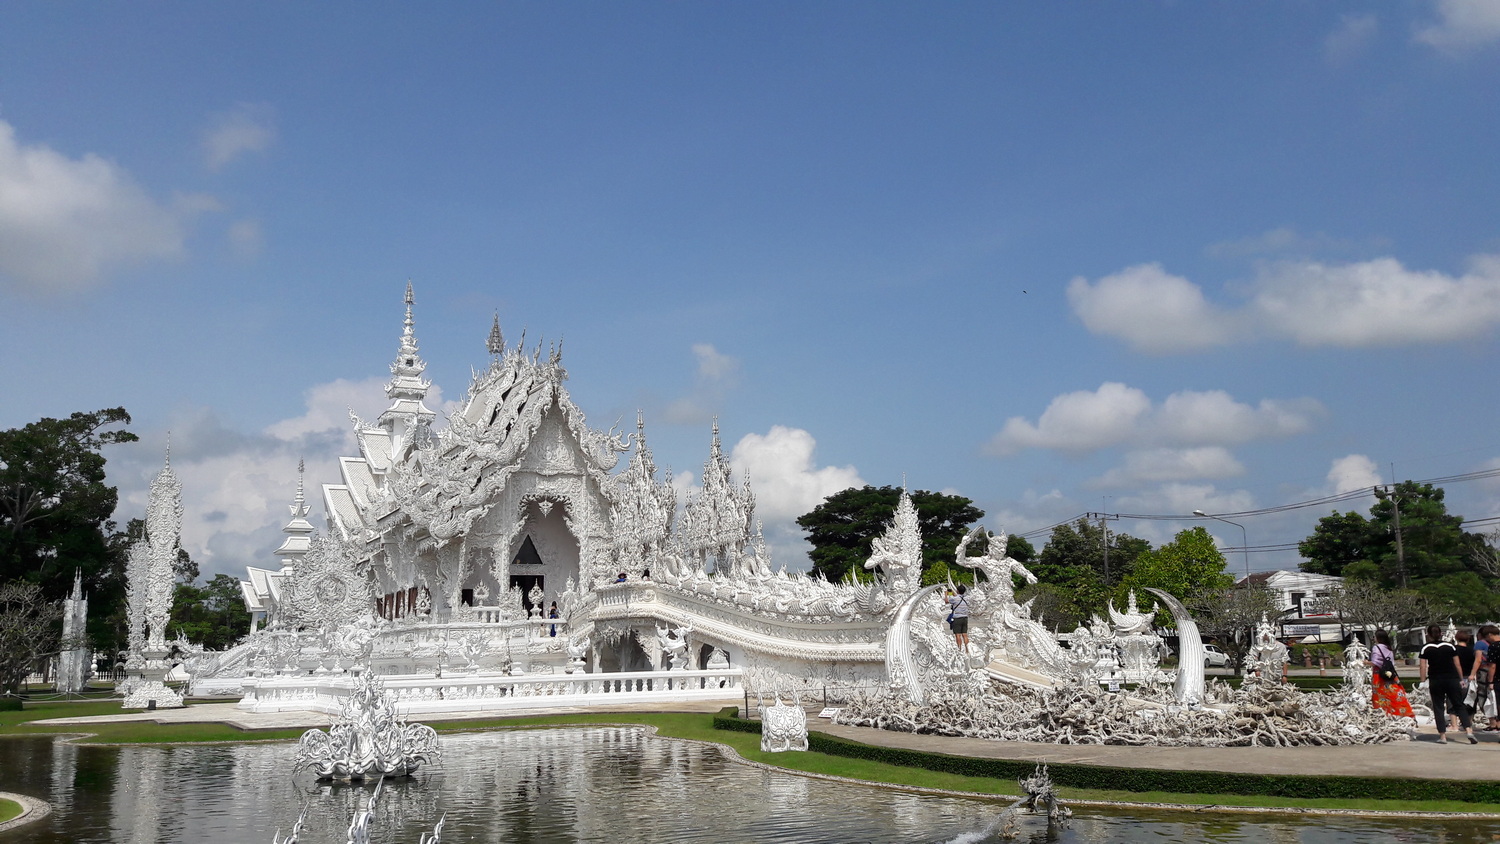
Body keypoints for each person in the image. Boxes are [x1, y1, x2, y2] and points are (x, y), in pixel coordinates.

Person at [1419, 624, 1476, 744]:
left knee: (1438, 707)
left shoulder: (1426, 647)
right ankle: (1468, 730)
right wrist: (1461, 679)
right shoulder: (1450, 646)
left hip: (1436, 680)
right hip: (1452, 679)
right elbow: (1457, 664)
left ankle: (1443, 736)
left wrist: (1423, 681)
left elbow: (1423, 666)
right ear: (1441, 634)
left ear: (1428, 635)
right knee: (1459, 704)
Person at [1368, 630, 1414, 718]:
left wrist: (1365, 662)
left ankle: (1383, 714)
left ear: (1378, 638)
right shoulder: (1388, 647)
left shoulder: (1376, 648)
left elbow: (1375, 662)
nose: (1374, 638)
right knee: (1394, 693)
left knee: (1379, 695)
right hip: (1390, 673)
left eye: (1374, 636)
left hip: (1379, 675)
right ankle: (1401, 711)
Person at [1471, 624, 1500, 730]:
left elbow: (1480, 661)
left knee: (1486, 697)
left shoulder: (1481, 644)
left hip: (1487, 673)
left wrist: (1472, 674)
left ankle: (1493, 723)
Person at [947, 584, 971, 652]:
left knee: (958, 635)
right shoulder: (967, 599)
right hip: (965, 618)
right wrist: (954, 593)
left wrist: (946, 594)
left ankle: (959, 649)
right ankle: (967, 649)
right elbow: (959, 597)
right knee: (965, 634)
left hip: (957, 618)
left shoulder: (954, 599)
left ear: (957, 591)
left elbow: (946, 601)